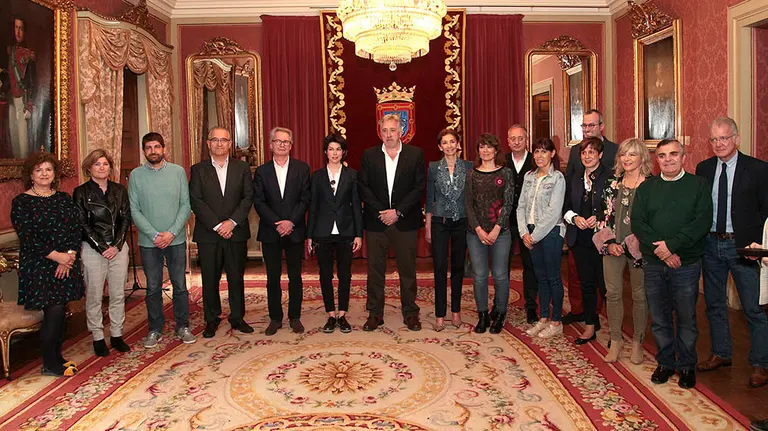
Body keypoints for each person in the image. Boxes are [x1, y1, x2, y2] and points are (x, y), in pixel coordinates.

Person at [694, 117, 768, 388]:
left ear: (736, 138)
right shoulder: (703, 168)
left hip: (744, 248)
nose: (719, 144)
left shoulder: (758, 169)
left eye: (724, 138)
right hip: (711, 245)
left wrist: (760, 245)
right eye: (714, 139)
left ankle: (761, 363)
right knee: (714, 304)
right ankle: (721, 353)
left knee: (753, 308)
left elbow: (766, 212)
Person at [632, 138, 712, 389]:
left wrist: (673, 246)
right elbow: (639, 224)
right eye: (662, 155)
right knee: (660, 317)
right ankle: (666, 362)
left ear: (683, 157)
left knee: (687, 317)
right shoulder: (647, 187)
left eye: (673, 154)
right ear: (656, 160)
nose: (668, 159)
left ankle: (687, 365)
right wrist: (664, 252)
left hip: (686, 264)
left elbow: (701, 222)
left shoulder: (698, 185)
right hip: (655, 263)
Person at [11, 152, 83, 376]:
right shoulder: (21, 202)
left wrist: (69, 256)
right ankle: (49, 363)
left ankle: (57, 356)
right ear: (31, 175)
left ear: (54, 174)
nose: (44, 174)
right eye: (39, 170)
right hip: (39, 265)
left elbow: (75, 228)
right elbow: (28, 237)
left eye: (48, 170)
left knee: (61, 311)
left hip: (66, 263)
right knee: (53, 310)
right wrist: (57, 256)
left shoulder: (63, 198)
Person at [358, 113, 425, 332]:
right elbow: (363, 187)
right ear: (380, 132)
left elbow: (418, 187)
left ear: (401, 131)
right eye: (384, 130)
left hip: (404, 222)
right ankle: (375, 314)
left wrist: (398, 212)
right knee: (375, 270)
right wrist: (381, 212)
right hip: (377, 222)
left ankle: (410, 313)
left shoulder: (415, 154)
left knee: (408, 270)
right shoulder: (369, 155)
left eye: (392, 130)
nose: (388, 134)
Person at [129, 132, 195, 348]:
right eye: (148, 148)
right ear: (144, 150)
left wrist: (171, 233)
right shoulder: (136, 175)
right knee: (153, 287)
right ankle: (155, 329)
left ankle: (182, 325)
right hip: (149, 243)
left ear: (164, 149)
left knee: (179, 285)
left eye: (157, 147)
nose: (153, 151)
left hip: (174, 239)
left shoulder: (177, 172)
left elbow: (186, 205)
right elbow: (134, 209)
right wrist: (154, 235)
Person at [189, 126, 255, 338]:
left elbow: (247, 198)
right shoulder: (198, 169)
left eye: (224, 140)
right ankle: (212, 318)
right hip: (209, 234)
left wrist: (232, 222)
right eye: (215, 140)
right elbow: (196, 200)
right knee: (210, 278)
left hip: (236, 232)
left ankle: (237, 317)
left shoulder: (241, 168)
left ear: (229, 144)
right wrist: (218, 225)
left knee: (236, 277)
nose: (219, 144)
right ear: (208, 143)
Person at [595, 138, 652, 363]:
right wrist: (610, 243)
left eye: (632, 154)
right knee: (613, 293)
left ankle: (637, 341)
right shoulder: (612, 183)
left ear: (642, 158)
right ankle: (616, 340)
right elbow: (603, 215)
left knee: (639, 294)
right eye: (623, 154)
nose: (627, 159)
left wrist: (634, 242)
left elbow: (653, 220)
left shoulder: (651, 185)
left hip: (640, 250)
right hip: (613, 247)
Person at [73, 149, 131, 357]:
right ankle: (98, 336)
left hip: (118, 248)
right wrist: (101, 246)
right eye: (97, 164)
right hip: (93, 248)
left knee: (117, 293)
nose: (102, 168)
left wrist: (116, 245)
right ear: (89, 168)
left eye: (105, 164)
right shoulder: (81, 192)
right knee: (95, 295)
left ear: (110, 168)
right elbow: (82, 225)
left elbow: (125, 219)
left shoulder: (119, 190)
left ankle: (116, 334)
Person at [253, 126, 310, 335]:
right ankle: (275, 318)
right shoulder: (261, 171)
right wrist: (278, 222)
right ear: (271, 145)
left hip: (294, 230)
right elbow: (258, 202)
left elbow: (305, 198)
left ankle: (295, 317)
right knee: (273, 277)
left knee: (295, 277)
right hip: (271, 231)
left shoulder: (302, 169)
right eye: (278, 141)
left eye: (286, 142)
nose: (282, 145)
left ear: (291, 145)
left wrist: (290, 222)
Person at [562, 109, 618, 325]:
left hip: (603, 233)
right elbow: (569, 191)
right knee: (581, 277)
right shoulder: (576, 150)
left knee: (605, 282)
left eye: (591, 126)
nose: (587, 130)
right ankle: (585, 316)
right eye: (584, 126)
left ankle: (611, 323)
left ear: (601, 126)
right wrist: (573, 217)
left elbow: (615, 194)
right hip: (579, 230)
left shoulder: (614, 151)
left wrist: (600, 218)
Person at [307, 134, 363, 333]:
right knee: (325, 274)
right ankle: (330, 314)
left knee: (345, 274)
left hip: (346, 232)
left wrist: (358, 234)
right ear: (325, 152)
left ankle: (342, 314)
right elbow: (313, 207)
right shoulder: (317, 176)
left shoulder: (352, 175)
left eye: (338, 149)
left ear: (343, 152)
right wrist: (310, 235)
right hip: (322, 232)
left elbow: (356, 206)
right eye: (331, 149)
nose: (334, 153)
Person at [465, 133, 514, 334]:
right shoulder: (471, 175)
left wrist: (495, 229)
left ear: (496, 150)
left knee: (501, 275)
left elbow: (508, 203)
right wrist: (478, 229)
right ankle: (483, 314)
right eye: (481, 147)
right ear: (478, 151)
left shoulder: (505, 173)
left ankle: (500, 313)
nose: (485, 151)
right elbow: (468, 205)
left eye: (489, 147)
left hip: (500, 233)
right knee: (479, 276)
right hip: (475, 233)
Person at [425, 128, 472, 331]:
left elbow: (471, 197)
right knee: (440, 268)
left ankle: (456, 312)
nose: (449, 146)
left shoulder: (469, 167)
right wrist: (427, 226)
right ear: (439, 147)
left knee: (459, 268)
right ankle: (440, 315)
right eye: (445, 142)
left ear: (458, 144)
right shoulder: (433, 168)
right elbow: (429, 199)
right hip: (439, 222)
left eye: (452, 141)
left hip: (462, 221)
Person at [520, 138, 566, 339]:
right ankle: (544, 318)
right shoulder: (529, 177)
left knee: (553, 277)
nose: (539, 156)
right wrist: (524, 233)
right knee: (540, 277)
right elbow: (520, 206)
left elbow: (554, 211)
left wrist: (535, 235)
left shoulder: (558, 179)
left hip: (551, 233)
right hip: (530, 232)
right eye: (536, 152)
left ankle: (556, 321)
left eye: (544, 152)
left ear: (552, 154)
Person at [505, 125, 538, 324]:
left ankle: (531, 306)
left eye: (520, 138)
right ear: (508, 141)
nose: (516, 142)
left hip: (529, 222)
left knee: (530, 264)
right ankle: (500, 304)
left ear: (527, 139)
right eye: (513, 138)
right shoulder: (502, 161)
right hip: (506, 221)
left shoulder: (536, 160)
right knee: (502, 265)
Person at [6, 17, 36, 159]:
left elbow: (32, 81)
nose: (18, 31)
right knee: (13, 136)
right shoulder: (8, 51)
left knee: (23, 138)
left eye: (21, 28)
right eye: (16, 27)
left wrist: (29, 104)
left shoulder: (29, 55)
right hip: (10, 98)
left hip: (22, 99)